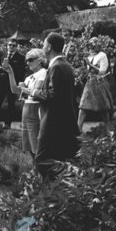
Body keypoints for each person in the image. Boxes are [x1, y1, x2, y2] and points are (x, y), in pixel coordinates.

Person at [35, 32, 80, 180]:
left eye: (44, 44)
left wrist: (35, 92)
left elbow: (54, 95)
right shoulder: (65, 65)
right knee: (58, 156)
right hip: (63, 119)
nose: (42, 47)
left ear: (49, 47)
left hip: (54, 121)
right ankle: (59, 190)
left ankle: (60, 182)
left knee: (42, 160)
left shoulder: (57, 67)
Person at [2, 47, 47, 155]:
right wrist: (10, 72)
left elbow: (36, 89)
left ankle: (39, 170)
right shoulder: (29, 77)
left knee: (36, 144)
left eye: (31, 59)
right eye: (26, 60)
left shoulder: (43, 73)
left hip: (35, 110)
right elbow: (15, 90)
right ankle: (34, 169)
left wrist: (23, 88)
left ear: (40, 60)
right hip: (26, 110)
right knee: (28, 146)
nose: (28, 63)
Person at [77, 37, 113, 127]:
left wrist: (90, 65)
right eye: (93, 43)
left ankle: (108, 128)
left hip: (99, 82)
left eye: (97, 43)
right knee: (83, 106)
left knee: (103, 107)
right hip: (89, 83)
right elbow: (87, 70)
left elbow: (102, 72)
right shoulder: (89, 56)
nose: (95, 45)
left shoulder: (102, 55)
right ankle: (78, 129)